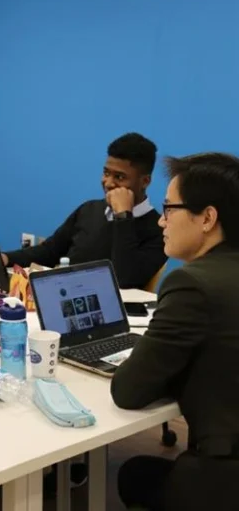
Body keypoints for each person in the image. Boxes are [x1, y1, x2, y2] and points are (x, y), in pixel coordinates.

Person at [111, 152, 239, 511]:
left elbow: (128, 391)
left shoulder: (191, 283)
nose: (161, 221)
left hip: (224, 480)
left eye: (169, 209)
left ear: (207, 218)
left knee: (133, 475)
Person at [2, 132, 166, 289]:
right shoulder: (89, 210)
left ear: (145, 181)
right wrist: (6, 258)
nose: (108, 183)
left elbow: (124, 280)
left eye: (120, 177)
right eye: (106, 173)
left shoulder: (160, 230)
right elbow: (49, 252)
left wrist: (123, 216)